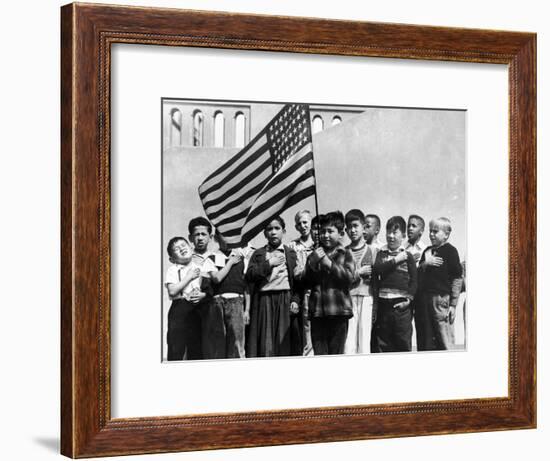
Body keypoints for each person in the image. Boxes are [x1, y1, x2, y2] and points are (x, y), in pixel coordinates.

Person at [245, 216, 300, 357]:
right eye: (269, 229)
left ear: (284, 231)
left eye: (277, 228)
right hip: (264, 299)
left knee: (284, 341)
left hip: (285, 299)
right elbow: (250, 275)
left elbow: (297, 281)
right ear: (265, 233)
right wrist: (269, 263)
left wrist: (295, 300)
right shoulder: (258, 254)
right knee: (265, 342)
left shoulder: (291, 253)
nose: (273, 232)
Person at [303, 211, 355, 355]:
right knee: (320, 355)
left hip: (339, 313)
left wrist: (328, 263)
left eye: (330, 231)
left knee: (336, 354)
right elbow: (306, 282)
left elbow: (349, 278)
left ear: (341, 233)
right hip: (318, 313)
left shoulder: (346, 253)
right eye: (323, 231)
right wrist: (312, 264)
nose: (325, 235)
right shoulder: (314, 254)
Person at [416, 217, 463, 350]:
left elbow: (457, 278)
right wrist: (425, 263)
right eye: (430, 231)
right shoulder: (426, 252)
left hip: (441, 300)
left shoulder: (451, 251)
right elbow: (418, 274)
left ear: (446, 235)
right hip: (424, 301)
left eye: (435, 231)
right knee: (426, 338)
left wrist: (453, 304)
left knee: (443, 337)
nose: (431, 234)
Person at [372, 216, 417, 352]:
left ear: (403, 235)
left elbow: (415, 281)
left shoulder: (408, 256)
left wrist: (408, 300)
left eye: (394, 233)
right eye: (388, 232)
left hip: (401, 308)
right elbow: (377, 269)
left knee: (402, 342)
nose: (390, 236)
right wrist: (396, 260)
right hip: (383, 305)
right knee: (383, 343)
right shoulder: (381, 253)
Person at [164, 237, 211, 361]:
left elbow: (209, 291)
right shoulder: (173, 270)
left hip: (198, 311)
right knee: (177, 348)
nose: (181, 249)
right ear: (171, 258)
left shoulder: (201, 268)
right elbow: (173, 291)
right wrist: (189, 277)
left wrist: (203, 295)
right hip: (179, 310)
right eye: (176, 249)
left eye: (183, 245)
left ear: (191, 247)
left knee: (197, 349)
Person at [205, 231, 251, 359]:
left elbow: (246, 287)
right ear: (216, 238)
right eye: (223, 236)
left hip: (237, 302)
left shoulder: (241, 258)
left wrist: (247, 310)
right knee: (218, 342)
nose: (226, 239)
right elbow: (217, 278)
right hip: (217, 303)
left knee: (237, 342)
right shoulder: (211, 258)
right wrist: (230, 262)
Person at [187, 216, 222, 359]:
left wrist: (206, 295)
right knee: (192, 349)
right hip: (190, 310)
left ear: (210, 236)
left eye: (204, 234)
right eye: (196, 234)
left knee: (211, 349)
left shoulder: (217, 258)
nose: (200, 238)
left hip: (211, 310)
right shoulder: (185, 258)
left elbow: (222, 283)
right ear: (190, 237)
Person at [343, 209, 376, 354]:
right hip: (348, 299)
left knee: (364, 340)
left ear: (363, 227)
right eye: (349, 227)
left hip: (367, 297)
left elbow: (377, 281)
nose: (353, 230)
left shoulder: (373, 251)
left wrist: (376, 306)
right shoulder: (342, 252)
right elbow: (341, 277)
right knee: (349, 342)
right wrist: (359, 272)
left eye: (356, 226)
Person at [288, 210, 315, 356]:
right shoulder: (293, 246)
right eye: (299, 223)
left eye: (305, 222)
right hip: (304, 291)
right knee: (307, 330)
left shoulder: (319, 244)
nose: (303, 226)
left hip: (320, 291)